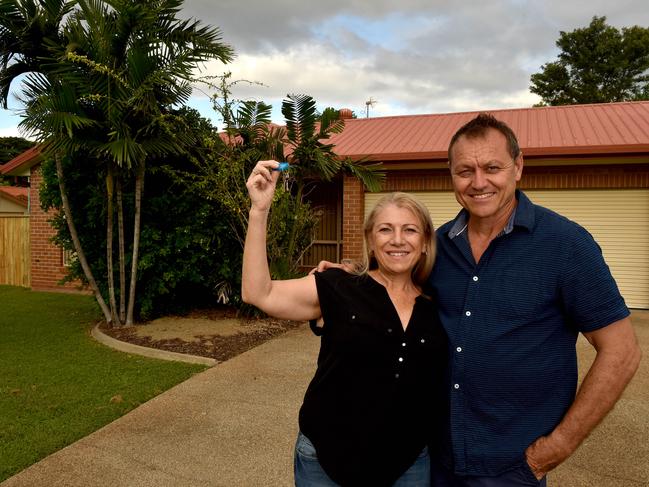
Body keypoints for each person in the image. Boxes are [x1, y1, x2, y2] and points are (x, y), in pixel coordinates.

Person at [319, 113, 642, 486]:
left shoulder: (565, 246)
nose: (478, 182)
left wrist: (555, 448)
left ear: (518, 166)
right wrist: (350, 274)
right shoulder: (439, 247)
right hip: (433, 459)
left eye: (492, 167)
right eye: (465, 171)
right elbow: (394, 279)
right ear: (451, 174)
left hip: (513, 468)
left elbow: (622, 352)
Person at [241, 159, 448, 487]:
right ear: (370, 240)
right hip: (326, 460)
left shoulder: (440, 304)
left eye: (409, 229)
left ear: (424, 242)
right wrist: (259, 211)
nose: (397, 239)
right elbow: (259, 293)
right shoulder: (339, 286)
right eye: (385, 229)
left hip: (406, 465)